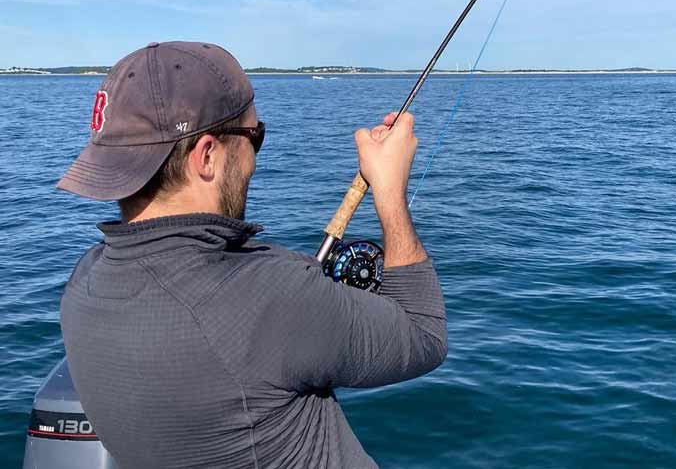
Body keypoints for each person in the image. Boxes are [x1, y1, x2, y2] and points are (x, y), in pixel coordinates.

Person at [58, 41, 446, 469]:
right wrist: (389, 189)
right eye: (254, 137)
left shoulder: (84, 284)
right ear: (207, 156)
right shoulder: (270, 297)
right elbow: (424, 335)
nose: (254, 159)